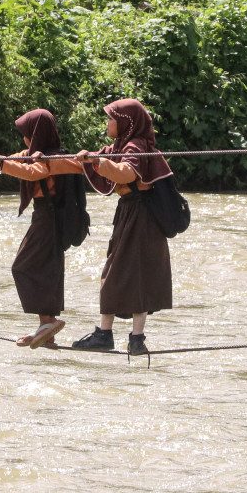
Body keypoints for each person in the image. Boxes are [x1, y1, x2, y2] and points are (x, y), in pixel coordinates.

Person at [68, 98, 174, 354]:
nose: (107, 123)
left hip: (142, 216)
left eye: (111, 119)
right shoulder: (120, 145)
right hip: (131, 213)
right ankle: (132, 339)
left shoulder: (136, 146)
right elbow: (74, 163)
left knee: (119, 274)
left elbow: (127, 172)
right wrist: (12, 163)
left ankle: (110, 335)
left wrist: (98, 163)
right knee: (135, 275)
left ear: (126, 122)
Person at [0, 109, 69, 348]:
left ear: (36, 134)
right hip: (44, 216)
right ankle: (47, 329)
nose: (23, 139)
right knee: (46, 268)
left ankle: (49, 322)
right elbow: (11, 162)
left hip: (51, 218)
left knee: (23, 267)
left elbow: (34, 172)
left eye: (26, 134)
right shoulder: (30, 154)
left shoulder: (52, 157)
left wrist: (2, 163)